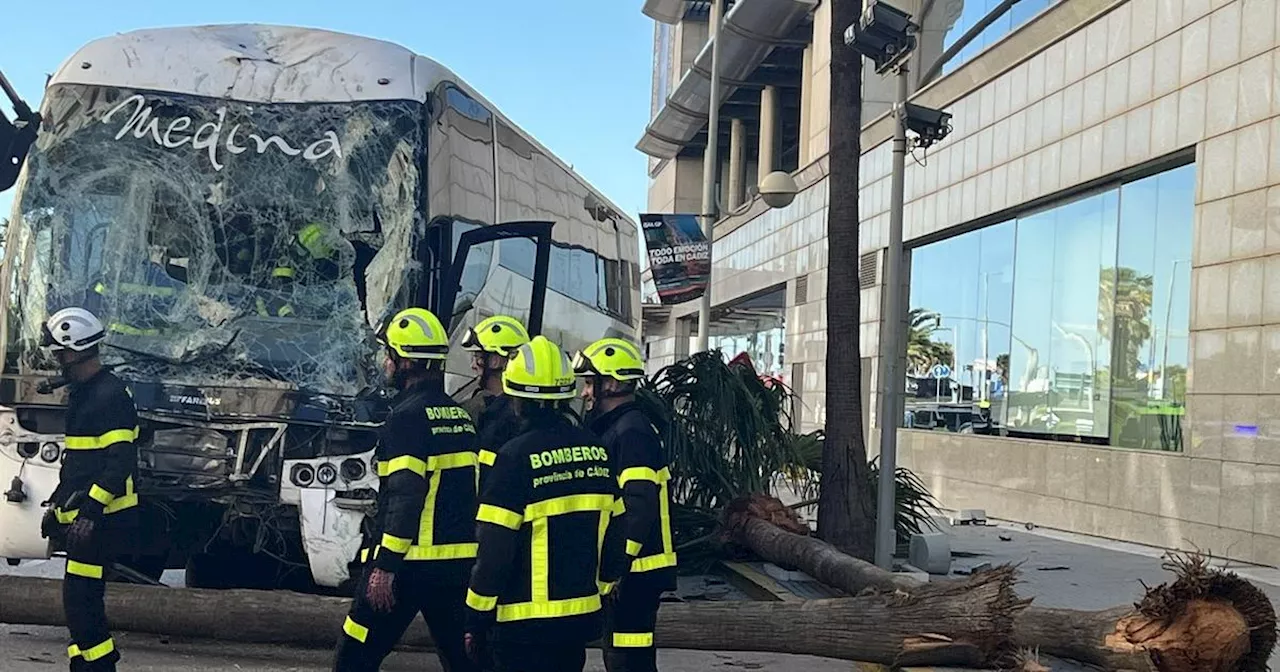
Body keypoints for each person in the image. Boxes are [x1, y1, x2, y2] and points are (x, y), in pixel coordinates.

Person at [464, 336, 624, 672]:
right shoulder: (597, 452)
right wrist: (603, 588)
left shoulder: (513, 458)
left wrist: (475, 616)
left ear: (518, 399)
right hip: (579, 620)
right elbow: (616, 535)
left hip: (522, 626)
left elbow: (493, 551)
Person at [333, 307, 479, 672]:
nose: (386, 362)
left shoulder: (406, 418)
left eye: (391, 354)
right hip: (457, 567)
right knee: (462, 661)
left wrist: (386, 565)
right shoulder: (459, 416)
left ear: (406, 363)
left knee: (355, 654)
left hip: (410, 564)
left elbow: (405, 494)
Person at [39, 307, 140, 672]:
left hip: (103, 522)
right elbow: (79, 467)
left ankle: (99, 668)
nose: (57, 362)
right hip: (85, 522)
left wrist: (91, 513)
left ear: (77, 350)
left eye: (60, 353)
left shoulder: (109, 396)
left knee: (84, 608)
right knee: (79, 607)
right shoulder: (85, 394)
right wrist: (57, 509)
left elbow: (119, 464)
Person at [573, 338, 676, 672]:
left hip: (637, 572)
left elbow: (638, 506)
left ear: (613, 383)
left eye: (590, 383)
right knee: (621, 653)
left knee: (629, 658)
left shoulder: (632, 434)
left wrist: (617, 566)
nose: (585, 393)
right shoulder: (620, 428)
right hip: (632, 570)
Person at [459, 315, 529, 490]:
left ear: (496, 360)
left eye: (478, 357)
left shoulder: (501, 417)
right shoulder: (523, 412)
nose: (473, 365)